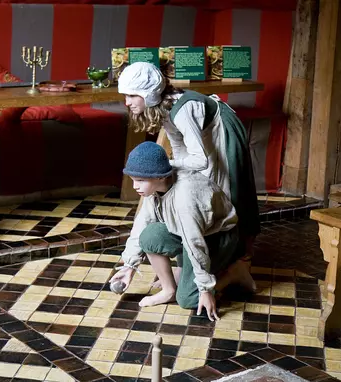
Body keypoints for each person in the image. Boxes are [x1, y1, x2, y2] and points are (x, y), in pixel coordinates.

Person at [117, 62, 260, 292]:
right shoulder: (163, 108)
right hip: (201, 139)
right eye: (126, 95)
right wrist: (173, 174)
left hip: (222, 130)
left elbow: (199, 160)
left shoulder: (183, 110)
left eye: (133, 95)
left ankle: (238, 263)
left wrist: (163, 168)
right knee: (190, 194)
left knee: (227, 191)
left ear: (149, 93)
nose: (127, 102)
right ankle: (189, 265)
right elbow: (179, 148)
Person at [109, 141, 253, 321]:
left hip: (217, 237)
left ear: (160, 177)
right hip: (188, 233)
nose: (135, 186)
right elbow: (142, 224)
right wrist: (129, 266)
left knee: (188, 299)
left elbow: (195, 244)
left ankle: (234, 272)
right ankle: (169, 290)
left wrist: (205, 289)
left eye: (140, 181)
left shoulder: (186, 198)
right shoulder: (154, 185)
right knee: (149, 236)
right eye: (133, 179)